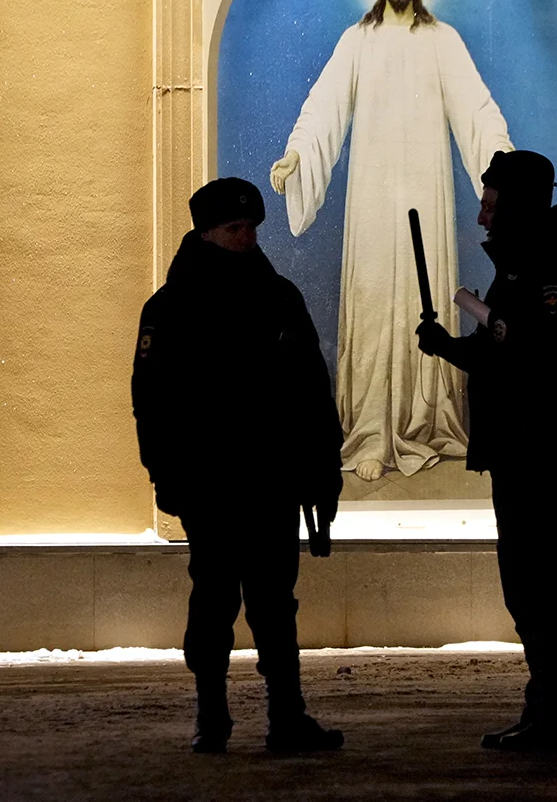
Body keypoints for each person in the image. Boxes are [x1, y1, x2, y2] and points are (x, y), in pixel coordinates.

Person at [270, 0, 513, 483]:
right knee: (377, 297)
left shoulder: (442, 40)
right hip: (373, 198)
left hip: (425, 190)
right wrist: (298, 155)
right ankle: (374, 429)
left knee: (421, 297)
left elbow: (476, 109)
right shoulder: (357, 41)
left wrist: (506, 166)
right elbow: (324, 105)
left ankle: (426, 421)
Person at [131, 177, 344, 754]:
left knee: (276, 600)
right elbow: (151, 403)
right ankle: (212, 715)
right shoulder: (171, 308)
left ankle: (287, 716)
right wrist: (167, 474)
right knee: (216, 596)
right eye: (235, 229)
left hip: (273, 482)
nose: (248, 238)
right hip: (210, 484)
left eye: (252, 228)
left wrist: (325, 470)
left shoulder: (278, 298)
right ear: (206, 232)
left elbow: (311, 392)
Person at [415, 150, 557, 751]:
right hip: (522, 453)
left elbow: (537, 357)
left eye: (492, 205)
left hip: (540, 455)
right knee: (528, 587)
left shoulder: (552, 276)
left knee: (541, 588)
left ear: (517, 205)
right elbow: (504, 349)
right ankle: (546, 712)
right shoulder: (524, 268)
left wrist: (492, 328)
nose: (482, 219)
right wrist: (449, 344)